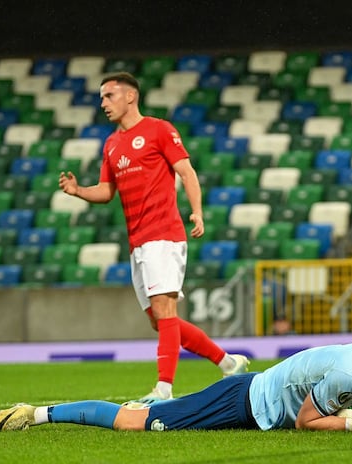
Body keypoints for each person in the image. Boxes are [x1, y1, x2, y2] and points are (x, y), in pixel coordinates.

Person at [58, 71, 249, 403]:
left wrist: (197, 211)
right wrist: (78, 192)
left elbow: (186, 171)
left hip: (164, 234)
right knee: (159, 321)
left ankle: (164, 389)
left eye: (109, 96)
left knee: (164, 309)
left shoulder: (159, 129)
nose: (103, 103)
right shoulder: (112, 144)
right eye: (101, 97)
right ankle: (228, 362)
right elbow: (106, 192)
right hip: (138, 242)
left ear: (130, 96)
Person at [0, 343, 352, 432]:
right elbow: (305, 422)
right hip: (241, 402)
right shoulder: (347, 378)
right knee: (134, 424)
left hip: (248, 393)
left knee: (146, 414)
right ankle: (36, 413)